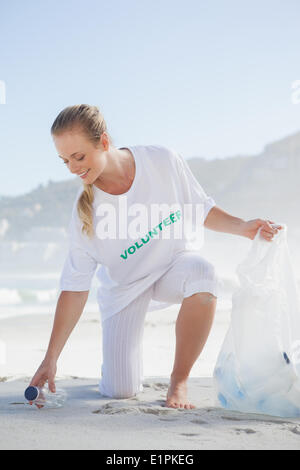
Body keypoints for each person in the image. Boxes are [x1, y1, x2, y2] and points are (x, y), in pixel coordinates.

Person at [29, 104, 283, 409]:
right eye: (65, 160)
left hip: (171, 269)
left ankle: (179, 382)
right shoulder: (84, 212)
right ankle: (115, 366)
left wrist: (243, 227)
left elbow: (200, 208)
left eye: (79, 157)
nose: (73, 168)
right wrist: (51, 357)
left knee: (203, 274)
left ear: (105, 142)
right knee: (120, 390)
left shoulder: (161, 161)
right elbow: (74, 288)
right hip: (124, 290)